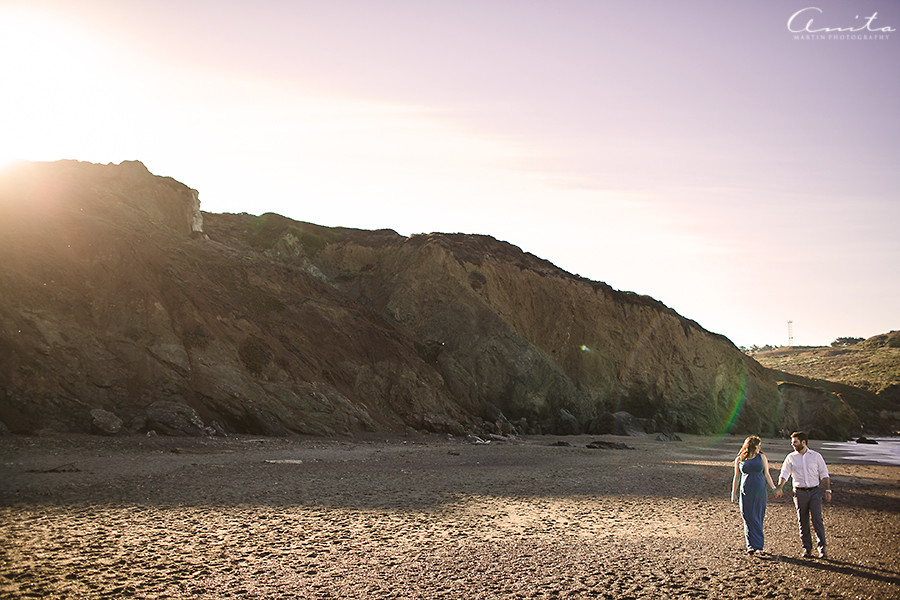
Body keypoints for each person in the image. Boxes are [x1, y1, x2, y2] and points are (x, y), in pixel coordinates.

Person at [774, 431, 832, 559]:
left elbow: (824, 474)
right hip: (799, 493)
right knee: (802, 521)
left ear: (803, 442)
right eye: (792, 442)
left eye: (795, 442)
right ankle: (807, 549)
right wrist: (779, 487)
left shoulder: (816, 456)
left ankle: (822, 549)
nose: (792, 445)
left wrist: (828, 490)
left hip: (815, 491)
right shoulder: (790, 457)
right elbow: (784, 474)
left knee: (817, 519)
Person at [731, 435, 777, 554]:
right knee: (747, 517)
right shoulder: (740, 459)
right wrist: (733, 493)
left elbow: (766, 474)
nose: (759, 449)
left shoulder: (761, 457)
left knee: (758, 516)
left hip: (759, 491)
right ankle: (750, 545)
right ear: (751, 446)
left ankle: (758, 546)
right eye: (757, 446)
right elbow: (736, 477)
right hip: (745, 491)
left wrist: (773, 487)